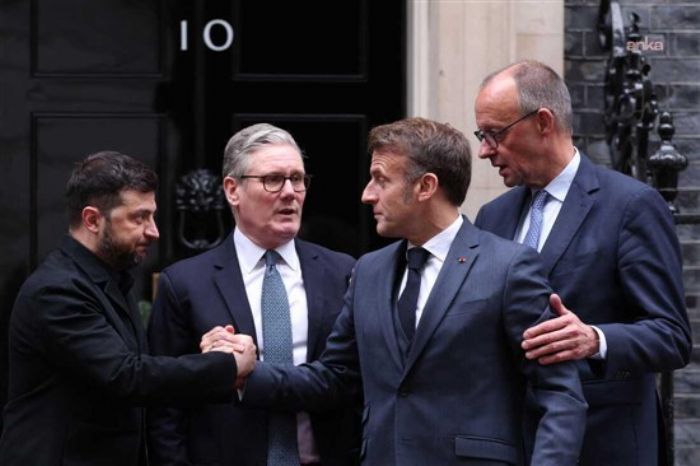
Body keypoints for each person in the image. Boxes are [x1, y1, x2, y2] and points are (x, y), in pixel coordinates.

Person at [210, 117, 587, 465]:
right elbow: (334, 377)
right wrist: (246, 373)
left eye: (380, 179)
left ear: (426, 187)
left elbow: (559, 394)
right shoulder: (368, 272)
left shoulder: (508, 266)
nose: (367, 194)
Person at [473, 60, 692, 466]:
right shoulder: (492, 217)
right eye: (480, 136)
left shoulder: (630, 206)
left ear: (543, 122)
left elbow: (671, 336)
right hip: (512, 447)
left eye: (495, 134)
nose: (484, 150)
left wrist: (594, 339)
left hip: (604, 445)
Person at [0, 151, 256, 466]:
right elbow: (126, 376)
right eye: (139, 218)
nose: (154, 231)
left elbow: (137, 368)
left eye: (152, 216)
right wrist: (226, 365)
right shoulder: (57, 290)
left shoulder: (110, 278)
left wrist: (209, 350)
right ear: (92, 220)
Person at [147, 123, 360, 466]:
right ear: (232, 190)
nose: (290, 192)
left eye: (297, 179)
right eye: (273, 179)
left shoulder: (342, 273)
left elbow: (355, 382)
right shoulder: (185, 283)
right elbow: (166, 408)